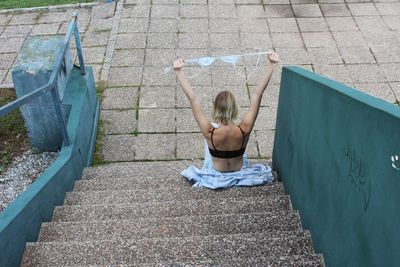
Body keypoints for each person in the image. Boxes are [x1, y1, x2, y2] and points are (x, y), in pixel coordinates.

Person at [174, 51, 280, 189]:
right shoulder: (245, 129)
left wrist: (178, 72)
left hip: (218, 171)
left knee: (211, 131)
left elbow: (192, 98)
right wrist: (271, 65)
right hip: (238, 168)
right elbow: (258, 94)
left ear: (216, 109)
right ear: (234, 108)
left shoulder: (209, 132)